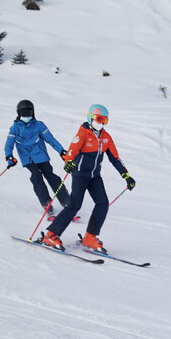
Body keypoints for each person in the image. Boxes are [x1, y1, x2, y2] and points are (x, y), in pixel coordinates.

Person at [37, 104, 135, 253]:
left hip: (95, 176)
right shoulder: (83, 133)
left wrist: (126, 175)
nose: (101, 123)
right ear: (91, 118)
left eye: (105, 121)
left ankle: (90, 236)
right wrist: (69, 162)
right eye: (99, 119)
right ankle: (51, 235)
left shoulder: (106, 138)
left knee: (103, 203)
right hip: (80, 174)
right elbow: (72, 150)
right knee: (74, 205)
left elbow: (115, 158)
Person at [4, 99, 70, 217]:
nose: (26, 115)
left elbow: (50, 139)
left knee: (51, 176)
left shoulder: (39, 125)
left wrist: (62, 151)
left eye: (29, 112)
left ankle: (66, 201)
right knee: (36, 176)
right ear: (18, 113)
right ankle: (46, 202)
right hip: (27, 158)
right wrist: (9, 156)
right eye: (23, 113)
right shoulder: (14, 128)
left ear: (33, 113)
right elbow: (9, 144)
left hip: (41, 155)